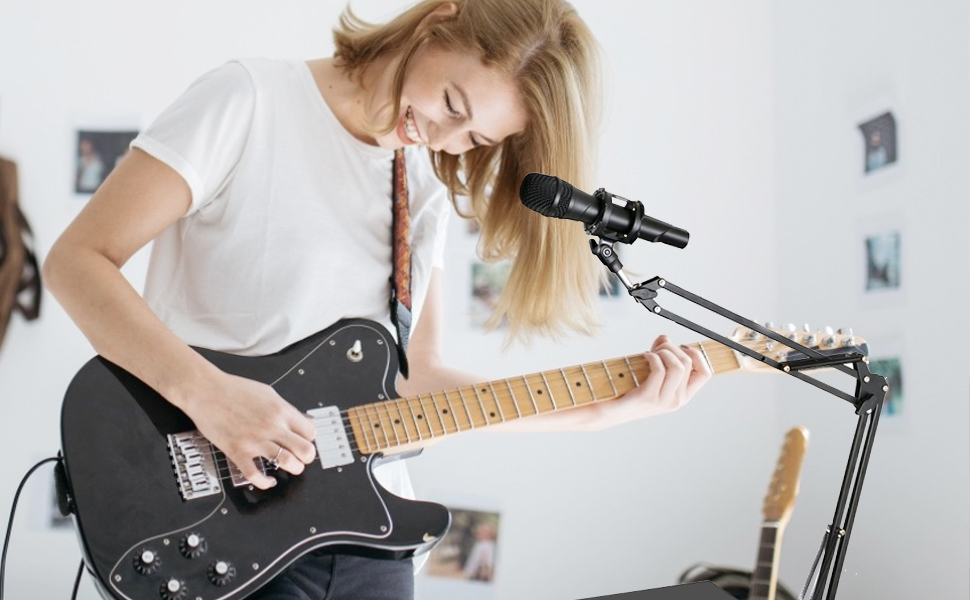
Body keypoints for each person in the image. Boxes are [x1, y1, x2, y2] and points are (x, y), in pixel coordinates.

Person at [43, 0, 711, 598]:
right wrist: (210, 395)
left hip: (367, 539)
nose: (445, 140)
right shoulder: (250, 99)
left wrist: (599, 415)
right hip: (218, 522)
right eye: (453, 104)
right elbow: (77, 262)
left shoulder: (419, 188)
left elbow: (414, 383)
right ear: (436, 21)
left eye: (476, 140)